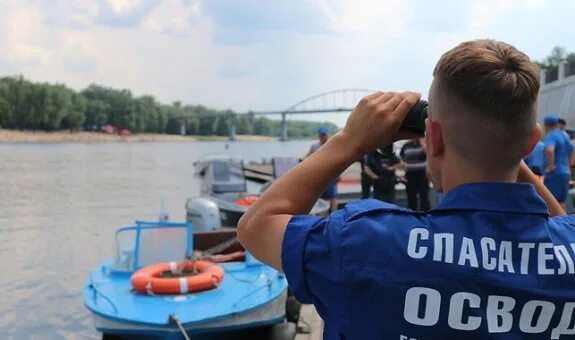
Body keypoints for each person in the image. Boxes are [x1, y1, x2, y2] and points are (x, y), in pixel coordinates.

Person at [238, 39, 568, 339]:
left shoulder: (365, 243)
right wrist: (507, 145)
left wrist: (349, 140)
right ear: (531, 144)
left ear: (432, 137)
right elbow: (559, 224)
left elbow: (255, 227)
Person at [543, 114, 573, 211]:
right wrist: (568, 166)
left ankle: (551, 226)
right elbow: (572, 150)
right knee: (561, 203)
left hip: (554, 175)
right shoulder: (565, 136)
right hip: (565, 173)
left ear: (546, 125)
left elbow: (550, 150)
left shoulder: (551, 135)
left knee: (550, 204)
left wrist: (551, 166)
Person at [304, 126, 338, 212]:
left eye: (324, 135)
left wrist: (339, 173)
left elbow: (338, 160)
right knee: (321, 197)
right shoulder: (314, 146)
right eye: (321, 135)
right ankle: (324, 217)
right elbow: (307, 157)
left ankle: (334, 214)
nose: (323, 137)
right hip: (319, 175)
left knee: (333, 197)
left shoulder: (333, 145)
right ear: (319, 136)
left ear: (327, 135)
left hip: (331, 174)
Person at [400, 138, 431, 211]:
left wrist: (421, 142)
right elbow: (402, 159)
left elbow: (429, 153)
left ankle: (424, 214)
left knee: (424, 196)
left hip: (423, 174)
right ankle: (413, 214)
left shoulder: (424, 144)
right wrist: (404, 169)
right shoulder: (406, 145)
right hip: (410, 174)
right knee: (411, 197)